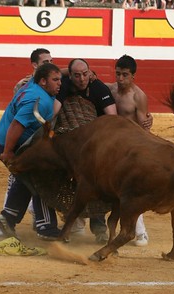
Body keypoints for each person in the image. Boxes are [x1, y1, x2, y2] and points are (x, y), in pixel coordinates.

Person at [0, 63, 63, 241]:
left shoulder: (33, 86)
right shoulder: (38, 101)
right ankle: (46, 227)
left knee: (26, 179)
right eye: (55, 80)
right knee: (40, 178)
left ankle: (7, 218)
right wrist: (8, 152)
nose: (59, 83)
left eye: (60, 80)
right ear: (42, 81)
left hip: (11, 142)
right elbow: (17, 125)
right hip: (13, 145)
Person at [55, 59, 117, 244]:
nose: (82, 79)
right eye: (76, 75)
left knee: (96, 183)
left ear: (90, 72)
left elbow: (112, 118)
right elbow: (53, 111)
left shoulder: (99, 88)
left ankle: (99, 229)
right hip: (70, 143)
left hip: (94, 144)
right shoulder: (63, 84)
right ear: (70, 75)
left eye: (85, 74)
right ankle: (66, 224)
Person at [104, 55, 152, 246]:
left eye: (125, 75)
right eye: (117, 74)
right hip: (110, 147)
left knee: (130, 191)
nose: (120, 79)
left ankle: (140, 231)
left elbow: (144, 128)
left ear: (133, 76)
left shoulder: (138, 97)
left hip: (129, 149)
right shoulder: (110, 89)